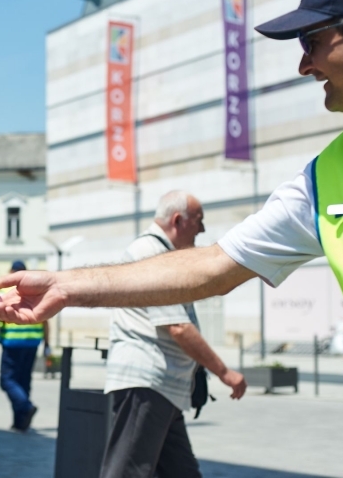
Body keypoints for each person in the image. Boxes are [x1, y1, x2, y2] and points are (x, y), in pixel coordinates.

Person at [0, 0, 343, 389]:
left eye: (310, 41)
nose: (303, 64)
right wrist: (65, 285)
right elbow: (211, 267)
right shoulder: (329, 176)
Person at [101, 191, 246, 478]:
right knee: (127, 473)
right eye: (199, 220)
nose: (202, 229)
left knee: (181, 473)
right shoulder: (152, 255)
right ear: (178, 220)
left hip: (161, 388)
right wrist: (224, 372)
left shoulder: (160, 254)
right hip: (147, 383)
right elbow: (177, 325)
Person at [0, 260, 49, 432]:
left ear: (12, 272)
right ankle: (20, 423)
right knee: (24, 381)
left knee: (7, 381)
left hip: (12, 342)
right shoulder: (35, 293)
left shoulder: (5, 292)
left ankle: (25, 407)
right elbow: (46, 320)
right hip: (33, 342)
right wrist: (47, 343)